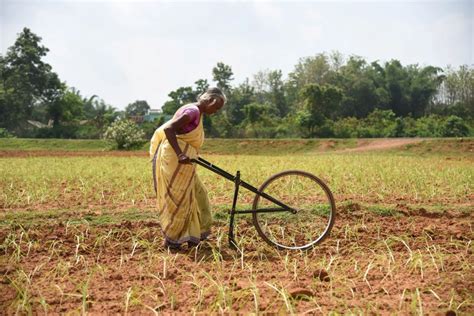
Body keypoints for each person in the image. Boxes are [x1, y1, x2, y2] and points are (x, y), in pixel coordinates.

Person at [149, 87, 226, 250]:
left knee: (198, 194)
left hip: (186, 162)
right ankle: (173, 239)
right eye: (216, 107)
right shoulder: (193, 112)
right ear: (210, 101)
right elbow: (169, 129)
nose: (216, 111)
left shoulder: (196, 111)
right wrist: (180, 154)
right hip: (177, 161)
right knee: (180, 200)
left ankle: (194, 235)